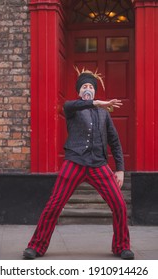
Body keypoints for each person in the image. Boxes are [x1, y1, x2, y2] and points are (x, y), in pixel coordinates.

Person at [23, 68, 134, 260]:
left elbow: (115, 142)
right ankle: (36, 246)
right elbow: (69, 105)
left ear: (95, 90)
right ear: (79, 91)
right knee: (54, 205)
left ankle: (121, 246)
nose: (88, 88)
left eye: (91, 86)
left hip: (98, 164)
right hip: (74, 162)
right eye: (85, 86)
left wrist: (120, 170)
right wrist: (96, 103)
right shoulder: (72, 108)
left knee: (119, 204)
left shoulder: (104, 115)